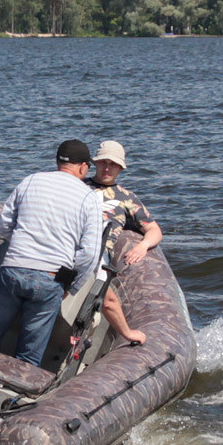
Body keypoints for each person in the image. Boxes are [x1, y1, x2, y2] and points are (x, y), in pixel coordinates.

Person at [0, 140, 103, 366]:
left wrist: (23, 250)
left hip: (12, 269)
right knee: (29, 355)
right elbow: (89, 255)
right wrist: (70, 286)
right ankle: (14, 397)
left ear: (58, 162)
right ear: (83, 167)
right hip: (49, 279)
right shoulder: (89, 197)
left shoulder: (30, 181)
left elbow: (4, 227)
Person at [85, 140, 164, 346]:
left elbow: (154, 230)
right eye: (103, 162)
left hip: (98, 255)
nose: (107, 168)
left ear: (120, 168)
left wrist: (143, 245)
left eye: (112, 164)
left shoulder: (126, 198)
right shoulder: (79, 187)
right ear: (95, 164)